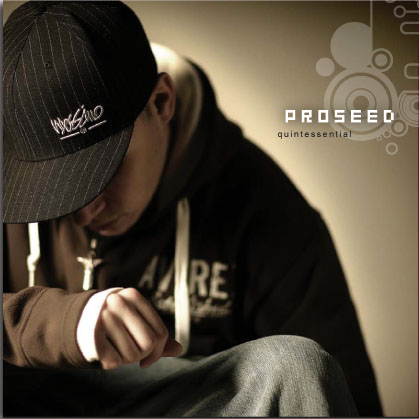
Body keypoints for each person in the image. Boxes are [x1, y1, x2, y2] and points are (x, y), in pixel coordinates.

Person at [3, 1, 382, 416]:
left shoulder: (266, 209)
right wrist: (59, 324)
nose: (82, 213)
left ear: (162, 102)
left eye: (104, 171)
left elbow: (345, 399)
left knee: (296, 367)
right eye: (53, 186)